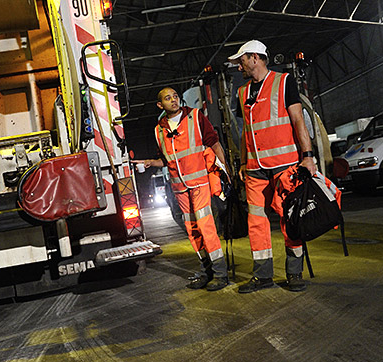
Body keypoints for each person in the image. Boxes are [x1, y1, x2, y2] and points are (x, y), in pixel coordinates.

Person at [228, 40, 317, 293]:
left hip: (284, 165)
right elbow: (246, 130)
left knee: (289, 219)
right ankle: (263, 275)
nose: (239, 67)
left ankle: (294, 272)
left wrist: (307, 155)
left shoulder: (284, 81)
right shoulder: (242, 92)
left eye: (241, 60)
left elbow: (298, 120)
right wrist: (244, 162)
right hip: (255, 169)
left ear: (255, 58)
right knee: (255, 221)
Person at [135, 87, 231, 291]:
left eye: (175, 97)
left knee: (206, 227)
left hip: (199, 184)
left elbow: (213, 143)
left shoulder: (195, 117)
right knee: (192, 230)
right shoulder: (158, 130)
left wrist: (225, 169)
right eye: (168, 99)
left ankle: (221, 273)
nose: (173, 101)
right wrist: (151, 162)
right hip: (179, 188)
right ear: (160, 105)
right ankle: (207, 271)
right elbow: (167, 160)